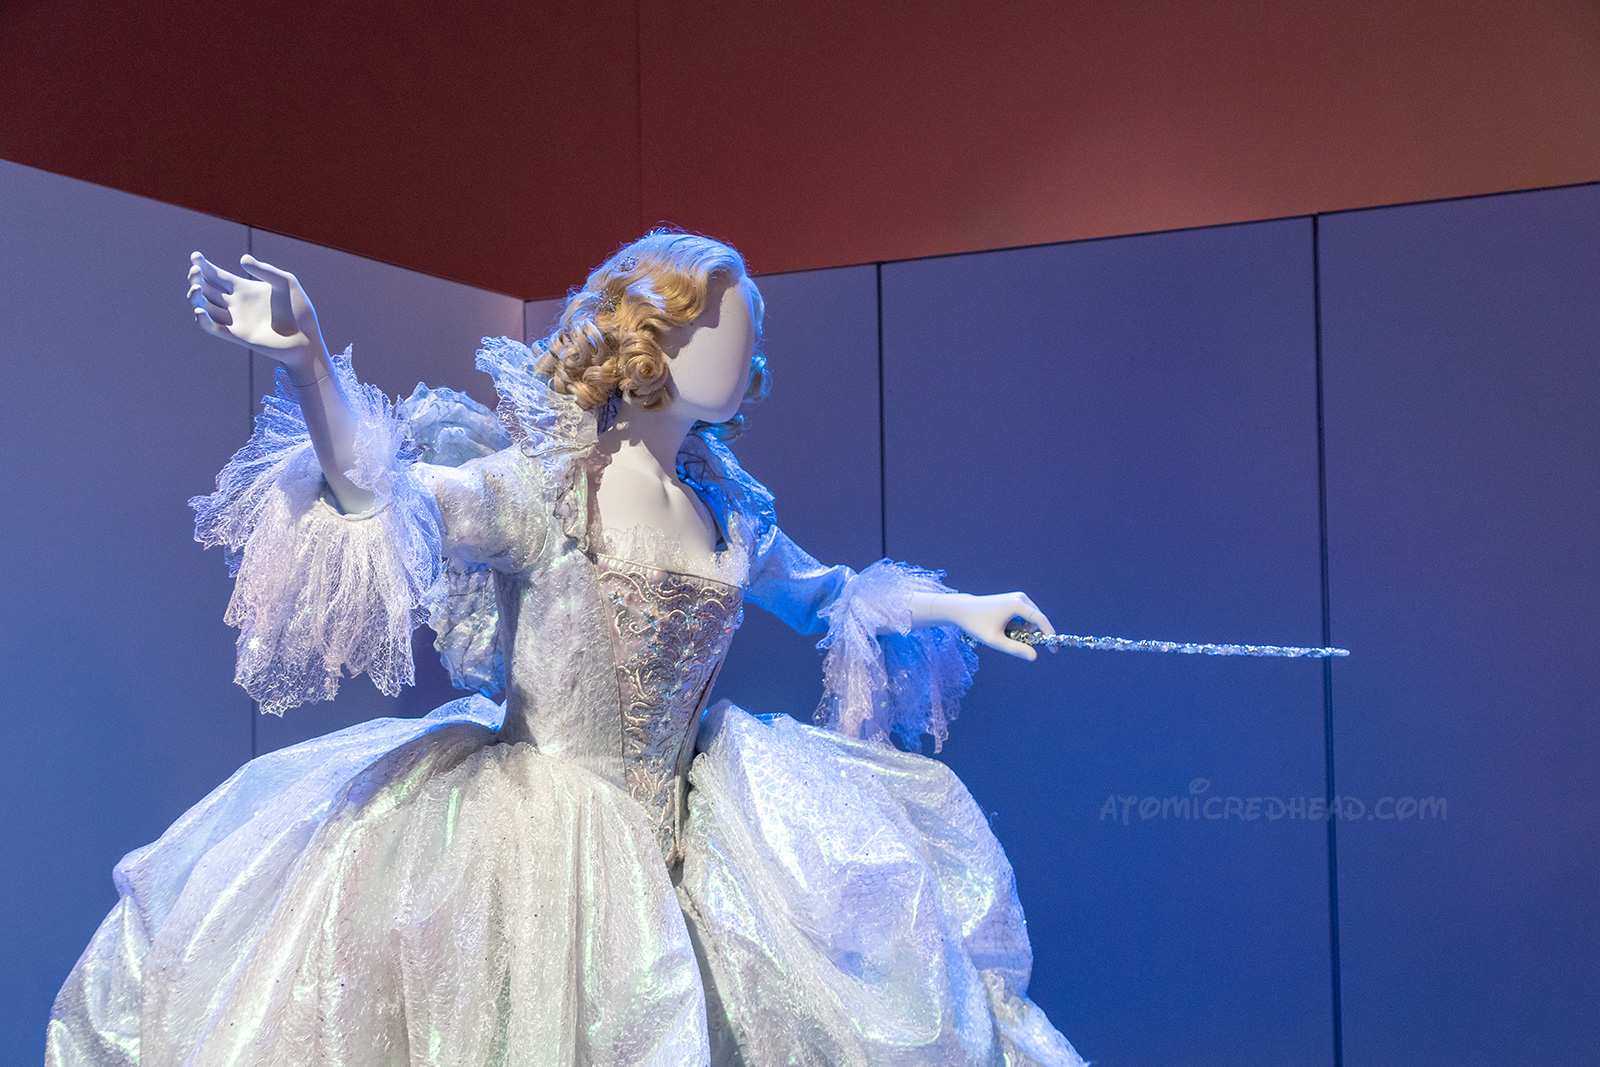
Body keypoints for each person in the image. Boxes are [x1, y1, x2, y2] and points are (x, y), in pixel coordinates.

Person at [46, 231, 1086, 1066]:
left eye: (745, 327)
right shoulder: (544, 486)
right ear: (653, 336)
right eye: (721, 320)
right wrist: (314, 364)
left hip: (698, 823)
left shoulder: (726, 507)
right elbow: (387, 497)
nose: (742, 346)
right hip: (541, 836)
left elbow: (825, 598)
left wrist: (970, 609)